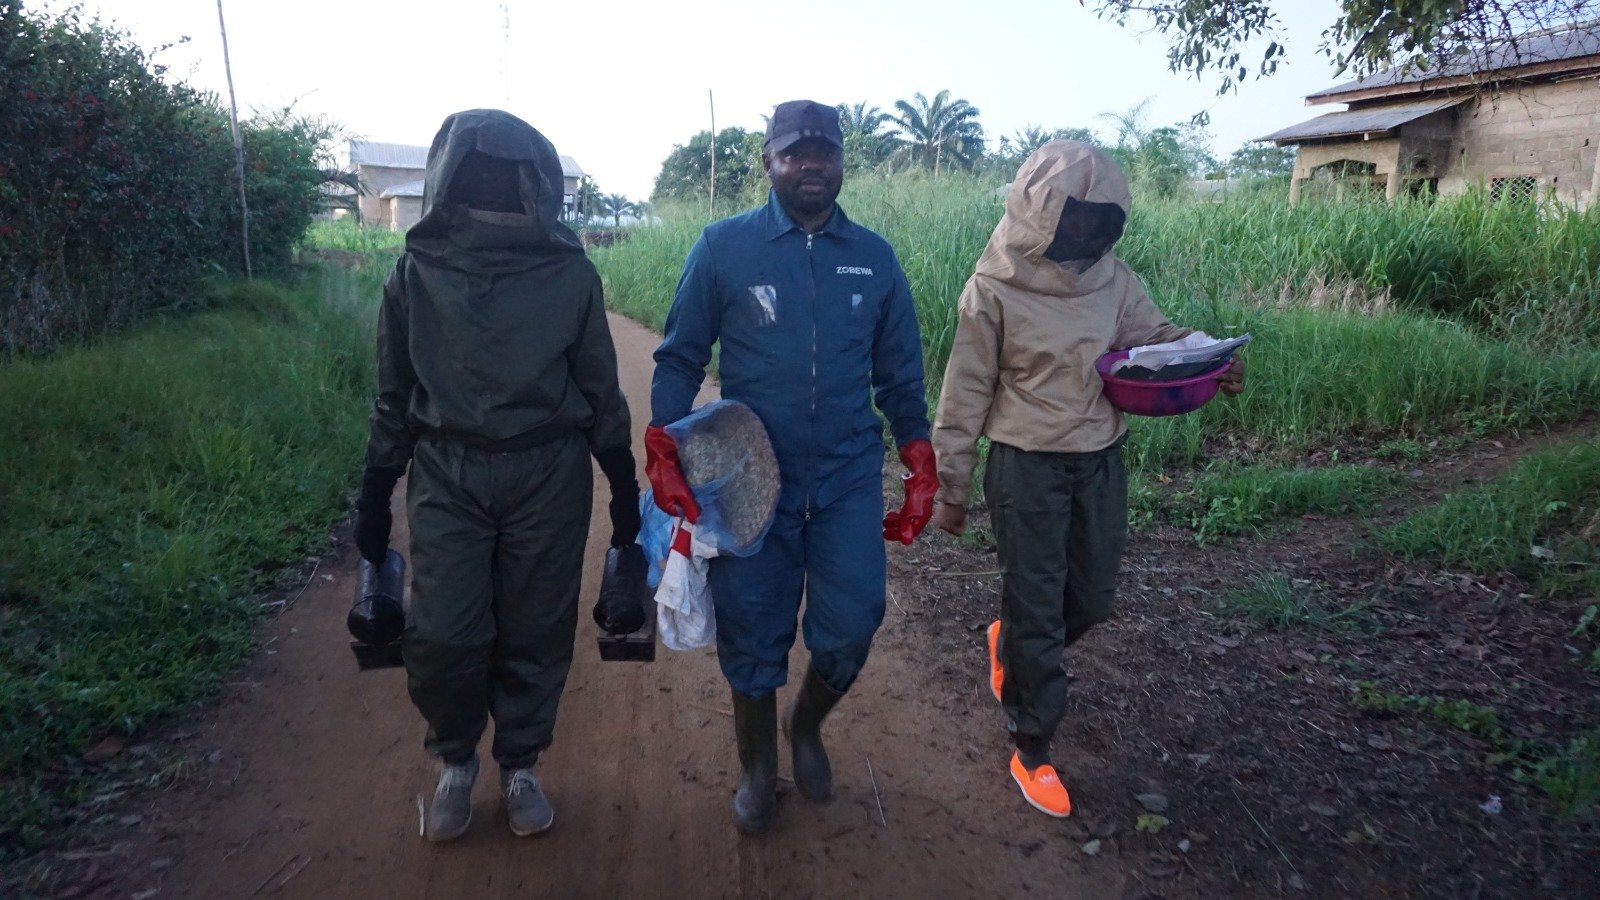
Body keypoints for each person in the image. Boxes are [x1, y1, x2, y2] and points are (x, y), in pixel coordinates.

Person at [930, 141, 1245, 818]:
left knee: (1093, 600)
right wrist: (950, 487)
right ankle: (1032, 748)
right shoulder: (992, 289)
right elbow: (964, 392)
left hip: (1101, 458)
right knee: (1039, 604)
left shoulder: (1114, 278)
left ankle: (1009, 642)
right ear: (1040, 211)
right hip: (1026, 465)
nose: (1086, 231)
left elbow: (1155, 337)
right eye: (1075, 216)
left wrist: (1210, 362)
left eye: (1100, 219)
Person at [648, 99, 937, 834]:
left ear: (842, 160)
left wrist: (917, 453)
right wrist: (663, 445)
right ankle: (755, 768)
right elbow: (681, 354)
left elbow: (900, 374)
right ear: (769, 161)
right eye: (795, 152)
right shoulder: (724, 248)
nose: (813, 165)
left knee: (853, 621)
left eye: (826, 152)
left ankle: (805, 726)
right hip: (751, 477)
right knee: (751, 627)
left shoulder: (872, 257)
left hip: (842, 475)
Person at [353, 109, 639, 842]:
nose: (492, 188)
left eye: (506, 175)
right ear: (448, 182)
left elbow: (601, 387)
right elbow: (394, 393)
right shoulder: (416, 272)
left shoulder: (569, 273)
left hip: (548, 471)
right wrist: (376, 492)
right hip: (448, 471)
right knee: (446, 632)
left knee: (536, 626)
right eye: (477, 173)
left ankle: (519, 762)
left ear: (534, 184)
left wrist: (625, 488)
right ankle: (455, 760)